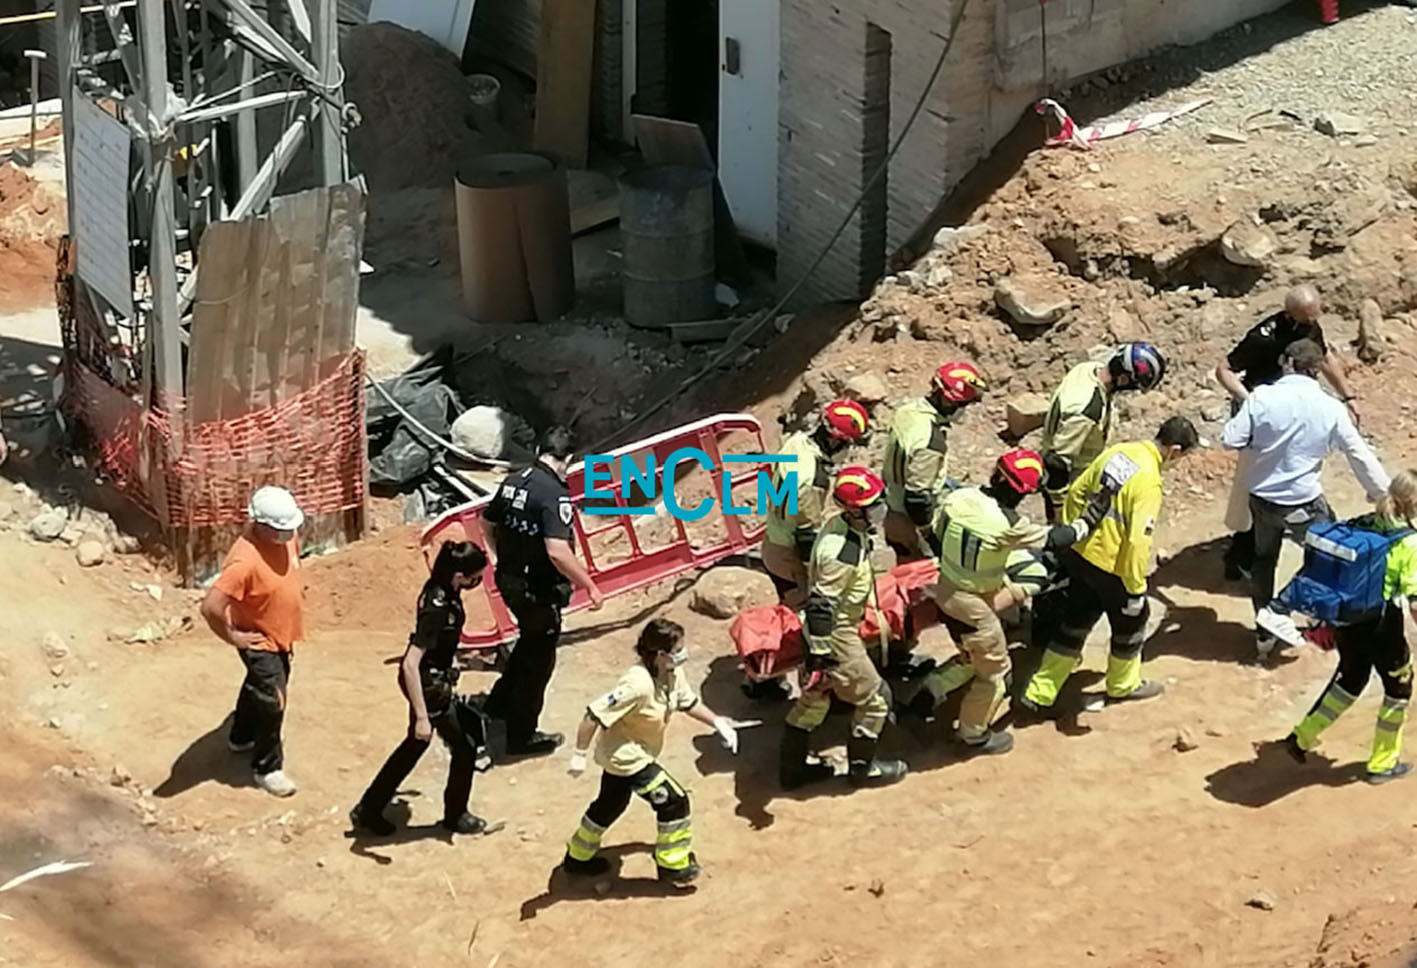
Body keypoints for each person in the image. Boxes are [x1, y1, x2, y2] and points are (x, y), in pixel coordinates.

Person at [910, 450, 1111, 752]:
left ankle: (930, 691)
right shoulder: (1009, 525)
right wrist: (1090, 519)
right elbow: (1058, 538)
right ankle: (973, 733)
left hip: (947, 591)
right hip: (976, 607)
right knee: (995, 674)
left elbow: (934, 531)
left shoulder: (959, 499)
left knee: (972, 656)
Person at [1220, 339, 1389, 659]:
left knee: (1264, 559)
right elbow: (1359, 454)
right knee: (1330, 559)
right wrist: (1381, 493)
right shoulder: (1330, 407)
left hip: (1262, 500)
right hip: (1304, 502)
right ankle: (1321, 622)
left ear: (1286, 362)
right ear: (1317, 371)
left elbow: (1230, 439)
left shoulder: (1262, 398)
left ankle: (1263, 632)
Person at [1019, 418, 1201, 715]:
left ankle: (1041, 692)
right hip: (1113, 568)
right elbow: (1138, 542)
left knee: (1074, 623)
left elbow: (1077, 490)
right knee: (1132, 623)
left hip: (1082, 556)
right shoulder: (1149, 482)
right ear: (1174, 450)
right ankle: (1122, 685)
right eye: (1181, 457)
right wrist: (1135, 585)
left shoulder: (1118, 452)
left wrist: (1074, 536)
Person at [561, 619, 739, 887]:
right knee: (674, 801)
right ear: (660, 654)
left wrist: (717, 722)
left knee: (610, 805)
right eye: (678, 648)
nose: (683, 652)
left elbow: (686, 702)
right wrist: (579, 754)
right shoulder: (637, 684)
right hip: (627, 758)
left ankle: (577, 857)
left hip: (638, 752)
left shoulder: (670, 672)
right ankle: (673, 864)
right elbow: (593, 714)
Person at [1216, 286, 1360, 580]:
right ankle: (1243, 555)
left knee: (1287, 472)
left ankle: (1260, 545)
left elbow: (1325, 357)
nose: (1312, 323)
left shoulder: (1309, 327)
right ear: (1290, 315)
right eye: (1307, 319)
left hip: (1294, 408)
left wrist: (1348, 395)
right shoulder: (1263, 337)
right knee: (1259, 481)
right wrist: (1250, 401)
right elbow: (1224, 369)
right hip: (1264, 413)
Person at [350, 541, 492, 837]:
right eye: (474, 576)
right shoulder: (437, 607)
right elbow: (410, 664)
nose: (477, 582)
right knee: (463, 746)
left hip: (436, 680)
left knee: (416, 745)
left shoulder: (444, 589)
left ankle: (370, 807)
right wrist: (422, 716)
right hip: (427, 686)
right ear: (460, 576)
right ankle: (455, 816)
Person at [1283, 472, 1417, 785]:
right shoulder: (1410, 543)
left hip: (1347, 621)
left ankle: (1302, 736)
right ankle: (1383, 762)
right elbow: (1414, 603)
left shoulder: (1365, 522)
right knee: (1399, 689)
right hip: (1383, 626)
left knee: (1352, 678)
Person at [780, 466, 908, 790]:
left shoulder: (840, 527)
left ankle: (792, 770)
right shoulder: (844, 552)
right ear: (854, 510)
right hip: (837, 634)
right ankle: (864, 771)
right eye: (873, 505)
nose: (880, 510)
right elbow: (823, 604)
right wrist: (823, 654)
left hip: (825, 630)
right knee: (876, 699)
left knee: (815, 698)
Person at [483, 425, 605, 757]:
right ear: (567, 460)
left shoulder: (513, 481)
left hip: (509, 580)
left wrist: (501, 555)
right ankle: (520, 736)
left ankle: (497, 704)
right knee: (539, 663)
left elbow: (487, 522)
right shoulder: (553, 493)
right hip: (537, 590)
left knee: (528, 642)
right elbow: (557, 551)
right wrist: (590, 586)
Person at [200, 486, 306, 798]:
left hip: (282, 634)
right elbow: (211, 607)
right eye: (280, 531)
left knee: (258, 687)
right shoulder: (243, 563)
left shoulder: (288, 538)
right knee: (274, 701)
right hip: (260, 642)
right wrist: (234, 637)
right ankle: (267, 767)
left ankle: (241, 735)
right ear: (258, 524)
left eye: (290, 529)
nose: (288, 536)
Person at [1039, 342, 1168, 522]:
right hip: (1070, 485)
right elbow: (1056, 462)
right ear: (1123, 379)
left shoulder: (1087, 370)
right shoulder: (1088, 411)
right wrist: (1061, 508)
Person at [761, 399, 871, 608]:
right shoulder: (812, 480)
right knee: (803, 611)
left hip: (773, 536)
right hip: (787, 555)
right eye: (847, 444)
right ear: (834, 441)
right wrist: (820, 573)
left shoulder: (796, 442)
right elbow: (806, 537)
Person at [881, 361, 987, 560]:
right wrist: (930, 535)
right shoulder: (931, 442)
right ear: (948, 401)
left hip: (891, 505)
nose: (965, 409)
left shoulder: (907, 411)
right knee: (922, 578)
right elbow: (917, 499)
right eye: (963, 405)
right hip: (909, 520)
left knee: (903, 567)